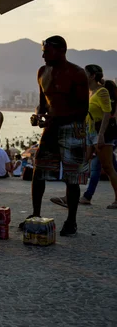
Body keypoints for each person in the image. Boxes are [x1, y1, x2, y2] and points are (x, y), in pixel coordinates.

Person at [20, 36, 89, 237]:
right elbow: (43, 104)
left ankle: (71, 220)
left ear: (61, 51)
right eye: (43, 51)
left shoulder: (77, 74)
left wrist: (55, 118)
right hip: (51, 127)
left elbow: (83, 110)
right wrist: (38, 115)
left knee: (72, 177)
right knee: (38, 171)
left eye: (47, 51)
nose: (43, 55)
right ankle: (35, 214)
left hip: (72, 128)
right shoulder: (42, 72)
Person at [52, 65, 117, 209]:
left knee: (108, 167)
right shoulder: (89, 92)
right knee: (79, 165)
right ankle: (69, 197)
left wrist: (100, 135)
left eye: (85, 74)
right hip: (89, 133)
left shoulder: (102, 91)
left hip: (101, 134)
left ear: (93, 76)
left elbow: (107, 113)